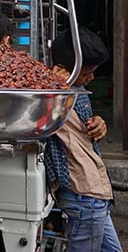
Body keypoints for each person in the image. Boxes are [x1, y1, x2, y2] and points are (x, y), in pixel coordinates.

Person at [44, 26, 120, 252]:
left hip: (97, 193)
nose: (91, 78)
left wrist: (99, 123)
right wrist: (54, 85)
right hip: (83, 195)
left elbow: (79, 126)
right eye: (86, 73)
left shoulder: (77, 92)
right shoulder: (50, 95)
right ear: (62, 69)